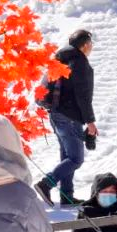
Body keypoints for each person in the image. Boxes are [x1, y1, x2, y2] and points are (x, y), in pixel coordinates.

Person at [34, 29, 98, 207]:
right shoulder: (79, 63)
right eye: (90, 44)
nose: (91, 48)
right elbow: (82, 95)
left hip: (55, 114)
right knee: (76, 159)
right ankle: (46, 184)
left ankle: (67, 197)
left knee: (67, 157)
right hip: (70, 116)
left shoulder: (59, 59)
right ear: (85, 45)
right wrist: (91, 121)